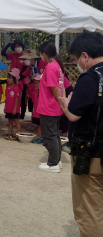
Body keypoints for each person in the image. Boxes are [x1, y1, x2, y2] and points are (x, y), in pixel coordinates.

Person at [58, 31, 103, 237]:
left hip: (92, 156)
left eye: (75, 61)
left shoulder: (91, 77)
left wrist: (64, 103)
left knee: (90, 213)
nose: (76, 65)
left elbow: (74, 114)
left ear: (85, 56)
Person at [37, 41, 65, 173]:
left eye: (41, 54)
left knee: (49, 136)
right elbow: (60, 86)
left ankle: (53, 163)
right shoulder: (56, 66)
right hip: (53, 107)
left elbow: (54, 88)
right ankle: (56, 160)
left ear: (44, 54)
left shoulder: (51, 67)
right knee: (54, 135)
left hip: (49, 107)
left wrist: (60, 102)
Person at [4, 70, 21, 140]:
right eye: (8, 78)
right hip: (8, 108)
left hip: (14, 109)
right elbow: (6, 98)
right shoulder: (7, 88)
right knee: (10, 121)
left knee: (16, 121)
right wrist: (5, 107)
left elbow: (17, 99)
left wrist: (15, 108)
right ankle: (10, 133)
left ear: (14, 79)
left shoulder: (16, 88)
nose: (8, 79)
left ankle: (19, 134)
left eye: (10, 78)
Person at [31, 74, 43, 144]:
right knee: (38, 125)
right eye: (35, 83)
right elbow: (34, 103)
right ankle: (40, 137)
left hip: (43, 113)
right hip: (36, 112)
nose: (35, 85)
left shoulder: (44, 93)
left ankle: (45, 138)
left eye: (37, 83)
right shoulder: (34, 92)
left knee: (44, 126)